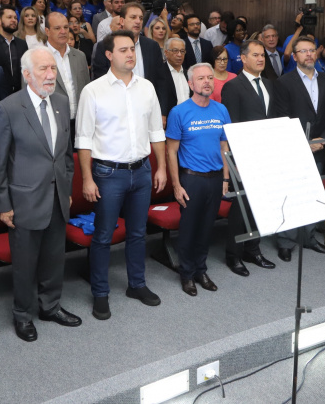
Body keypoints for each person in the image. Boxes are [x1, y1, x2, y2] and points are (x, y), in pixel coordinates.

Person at [0, 47, 82, 342]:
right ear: (27, 74)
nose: (50, 75)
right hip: (24, 201)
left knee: (55, 258)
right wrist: (3, 204)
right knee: (26, 263)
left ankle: (50, 306)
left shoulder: (61, 101)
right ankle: (22, 315)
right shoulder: (8, 108)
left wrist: (66, 187)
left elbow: (66, 155)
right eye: (43, 69)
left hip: (57, 198)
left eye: (53, 68)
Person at [76, 31, 166, 320]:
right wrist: (87, 179)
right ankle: (100, 293)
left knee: (138, 233)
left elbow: (156, 132)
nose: (130, 54)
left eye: (133, 49)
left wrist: (162, 166)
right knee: (103, 236)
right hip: (107, 173)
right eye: (123, 49)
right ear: (109, 55)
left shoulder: (147, 87)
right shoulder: (93, 91)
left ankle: (136, 285)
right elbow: (84, 139)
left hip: (142, 170)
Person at [165, 63, 230, 296]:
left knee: (206, 229)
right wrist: (176, 185)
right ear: (190, 84)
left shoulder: (221, 110)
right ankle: (187, 274)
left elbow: (224, 147)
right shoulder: (179, 112)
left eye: (210, 78)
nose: (206, 82)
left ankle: (201, 270)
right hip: (190, 179)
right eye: (201, 78)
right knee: (189, 229)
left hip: (214, 180)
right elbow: (171, 151)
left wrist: (225, 179)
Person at [272, 35, 325, 260]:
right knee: (290, 195)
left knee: (312, 193)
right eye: (303, 51)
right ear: (295, 56)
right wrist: (303, 143)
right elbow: (279, 118)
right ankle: (285, 242)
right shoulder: (283, 82)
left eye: (312, 50)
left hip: (319, 147)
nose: (309, 54)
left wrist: (323, 139)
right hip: (293, 148)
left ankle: (309, 237)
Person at [220, 39, 278, 276]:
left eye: (262, 55)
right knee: (240, 207)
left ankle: (253, 250)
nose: (261, 59)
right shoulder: (233, 86)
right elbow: (231, 126)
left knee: (259, 206)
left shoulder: (268, 84)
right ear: (243, 59)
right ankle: (233, 255)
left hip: (265, 155)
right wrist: (239, 160)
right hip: (243, 156)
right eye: (255, 55)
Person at [91, 3, 174, 121]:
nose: (138, 21)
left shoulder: (152, 46)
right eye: (133, 17)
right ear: (121, 20)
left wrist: (162, 112)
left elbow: (161, 81)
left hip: (148, 110)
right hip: (116, 112)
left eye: (140, 18)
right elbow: (100, 79)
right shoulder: (105, 46)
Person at [45, 13, 90, 143]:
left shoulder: (80, 56)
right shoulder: (37, 56)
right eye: (57, 28)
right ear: (47, 31)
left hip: (79, 124)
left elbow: (86, 88)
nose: (63, 31)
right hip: (52, 124)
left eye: (66, 27)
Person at [0, 7, 28, 95]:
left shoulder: (22, 44)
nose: (14, 20)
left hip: (21, 93)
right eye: (9, 17)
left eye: (15, 18)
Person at [166, 37, 189, 105]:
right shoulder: (159, 73)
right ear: (166, 53)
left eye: (182, 51)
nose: (179, 55)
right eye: (175, 51)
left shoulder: (188, 73)